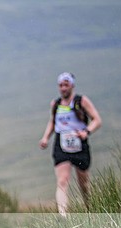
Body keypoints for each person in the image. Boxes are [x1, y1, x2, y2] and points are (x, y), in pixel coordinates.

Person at [39, 72, 102, 215]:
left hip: (79, 144)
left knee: (84, 184)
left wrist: (86, 131)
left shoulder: (82, 101)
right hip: (61, 144)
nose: (63, 88)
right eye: (60, 85)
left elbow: (97, 120)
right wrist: (45, 138)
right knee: (62, 181)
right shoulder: (55, 104)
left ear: (72, 85)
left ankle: (90, 210)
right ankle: (63, 216)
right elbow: (52, 122)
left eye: (66, 85)